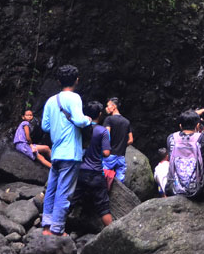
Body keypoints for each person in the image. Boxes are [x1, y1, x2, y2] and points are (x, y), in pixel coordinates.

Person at [39, 64, 91, 236]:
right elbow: (79, 120)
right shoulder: (74, 98)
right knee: (65, 191)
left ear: (59, 81)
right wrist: (88, 120)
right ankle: (57, 229)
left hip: (56, 153)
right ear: (76, 80)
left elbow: (45, 126)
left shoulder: (51, 101)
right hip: (71, 153)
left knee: (52, 189)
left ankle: (46, 225)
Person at [165, 108, 204, 200]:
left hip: (173, 191)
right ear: (198, 126)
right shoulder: (203, 138)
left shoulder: (171, 138)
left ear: (180, 126)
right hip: (199, 192)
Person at [70, 101, 113, 227]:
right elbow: (106, 153)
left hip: (79, 171)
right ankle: (112, 232)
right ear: (100, 115)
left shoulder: (80, 128)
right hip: (95, 172)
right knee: (103, 206)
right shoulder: (102, 131)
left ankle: (53, 226)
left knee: (71, 201)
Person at [102, 97, 133, 183]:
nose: (106, 108)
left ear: (114, 107)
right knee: (120, 182)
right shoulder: (126, 122)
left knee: (104, 178)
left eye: (108, 106)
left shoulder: (109, 119)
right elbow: (131, 140)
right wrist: (122, 144)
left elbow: (106, 136)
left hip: (110, 155)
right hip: (121, 156)